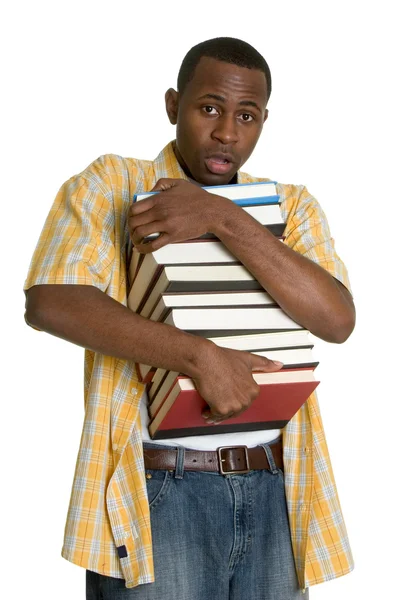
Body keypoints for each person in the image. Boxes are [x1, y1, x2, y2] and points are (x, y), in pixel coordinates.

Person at [24, 37, 355, 599]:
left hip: (278, 486)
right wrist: (198, 357)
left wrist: (221, 216)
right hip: (159, 487)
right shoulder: (112, 182)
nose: (227, 131)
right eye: (209, 108)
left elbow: (337, 319)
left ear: (263, 122)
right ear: (173, 105)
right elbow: (52, 301)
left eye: (246, 116)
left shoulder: (291, 206)